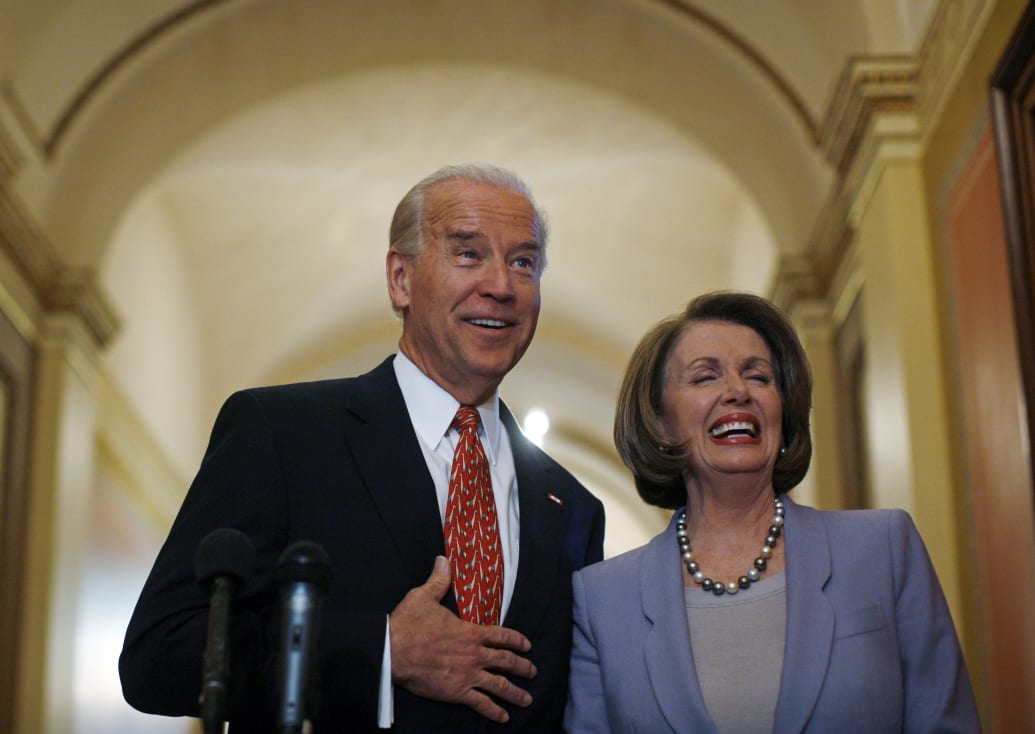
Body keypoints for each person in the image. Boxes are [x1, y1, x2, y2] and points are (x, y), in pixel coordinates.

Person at [119, 163, 605, 733]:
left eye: (523, 262)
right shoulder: (282, 433)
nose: (501, 285)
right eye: (469, 254)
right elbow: (159, 657)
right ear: (401, 279)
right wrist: (382, 649)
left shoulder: (571, 506)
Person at [564, 291, 979, 733]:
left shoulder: (883, 548)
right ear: (660, 421)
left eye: (758, 376)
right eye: (706, 377)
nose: (738, 391)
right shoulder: (603, 600)